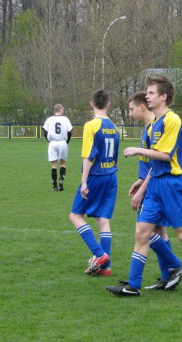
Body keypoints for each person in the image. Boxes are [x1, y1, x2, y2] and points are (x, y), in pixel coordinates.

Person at [107, 75, 182, 298]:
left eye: (151, 93)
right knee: (142, 232)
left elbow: (164, 155)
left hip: (172, 185)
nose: (147, 96)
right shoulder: (153, 126)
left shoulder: (172, 120)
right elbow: (155, 163)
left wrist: (137, 150)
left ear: (164, 96)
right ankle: (133, 285)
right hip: (156, 186)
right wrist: (142, 183)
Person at [126, 91, 182, 290]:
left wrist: (143, 187)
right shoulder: (149, 128)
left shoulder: (156, 127)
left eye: (132, 109)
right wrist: (140, 180)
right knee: (159, 231)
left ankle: (176, 266)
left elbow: (158, 163)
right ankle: (167, 277)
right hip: (150, 184)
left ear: (142, 107)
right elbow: (149, 165)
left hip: (157, 187)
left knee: (145, 232)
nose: (130, 114)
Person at [68, 90, 119, 276]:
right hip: (112, 175)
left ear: (91, 104)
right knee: (103, 220)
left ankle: (99, 255)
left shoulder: (91, 125)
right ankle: (105, 268)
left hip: (96, 176)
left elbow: (89, 155)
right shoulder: (113, 126)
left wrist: (83, 181)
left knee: (75, 216)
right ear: (109, 104)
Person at [42, 104, 73, 191]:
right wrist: (67, 142)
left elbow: (45, 132)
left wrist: (49, 140)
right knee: (63, 163)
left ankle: (54, 186)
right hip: (62, 142)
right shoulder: (65, 119)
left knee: (54, 165)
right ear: (60, 110)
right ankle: (61, 180)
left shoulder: (49, 119)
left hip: (52, 143)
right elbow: (70, 132)